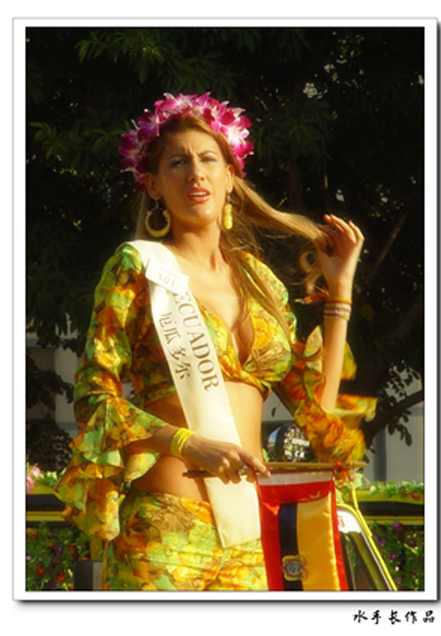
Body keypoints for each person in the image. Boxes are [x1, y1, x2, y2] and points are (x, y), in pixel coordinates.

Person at [56, 93, 376, 591]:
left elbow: (321, 414)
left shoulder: (262, 283)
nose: (195, 174)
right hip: (164, 530)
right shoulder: (138, 267)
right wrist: (189, 444)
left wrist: (340, 292)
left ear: (230, 176)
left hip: (251, 533)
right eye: (177, 163)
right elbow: (93, 401)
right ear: (154, 185)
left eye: (208, 159)